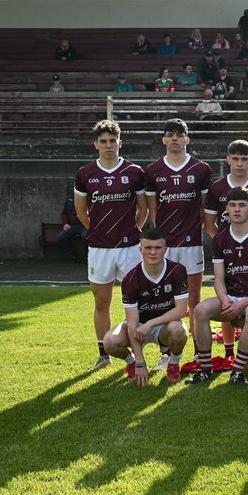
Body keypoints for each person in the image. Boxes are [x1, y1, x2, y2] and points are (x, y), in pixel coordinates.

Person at [74, 120, 148, 372]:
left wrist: (134, 232)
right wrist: (98, 231)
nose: (108, 145)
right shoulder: (85, 174)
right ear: (96, 144)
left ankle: (139, 353)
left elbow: (143, 208)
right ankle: (104, 354)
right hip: (99, 249)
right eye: (103, 141)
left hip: (129, 248)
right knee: (101, 302)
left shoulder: (135, 171)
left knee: (137, 301)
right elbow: (81, 211)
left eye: (112, 140)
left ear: (120, 142)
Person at [187, 187, 248, 385]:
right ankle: (205, 369)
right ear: (226, 209)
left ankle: (238, 371)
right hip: (231, 297)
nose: (237, 210)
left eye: (242, 205)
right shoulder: (220, 238)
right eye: (233, 205)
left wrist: (242, 304)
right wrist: (224, 299)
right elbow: (218, 279)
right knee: (200, 310)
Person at [143, 118, 213, 362]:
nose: (174, 138)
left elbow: (205, 209)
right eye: (170, 134)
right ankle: (167, 352)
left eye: (179, 134)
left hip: (192, 244)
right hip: (166, 247)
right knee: (165, 299)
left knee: (194, 299)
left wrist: (192, 230)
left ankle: (198, 351)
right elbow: (153, 211)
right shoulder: (153, 171)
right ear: (163, 139)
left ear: (187, 139)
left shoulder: (201, 169)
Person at [102, 228, 189, 384]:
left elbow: (182, 310)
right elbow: (132, 322)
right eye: (148, 248)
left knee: (179, 330)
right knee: (109, 341)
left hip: (163, 326)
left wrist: (151, 323)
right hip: (138, 327)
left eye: (157, 248)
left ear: (165, 249)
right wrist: (140, 362)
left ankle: (173, 363)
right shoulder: (130, 279)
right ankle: (132, 362)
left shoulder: (177, 271)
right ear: (140, 250)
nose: (153, 252)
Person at [203, 139, 248, 240]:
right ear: (228, 160)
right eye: (235, 159)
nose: (239, 164)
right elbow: (209, 225)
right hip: (226, 252)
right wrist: (224, 243)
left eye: (244, 159)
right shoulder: (217, 187)